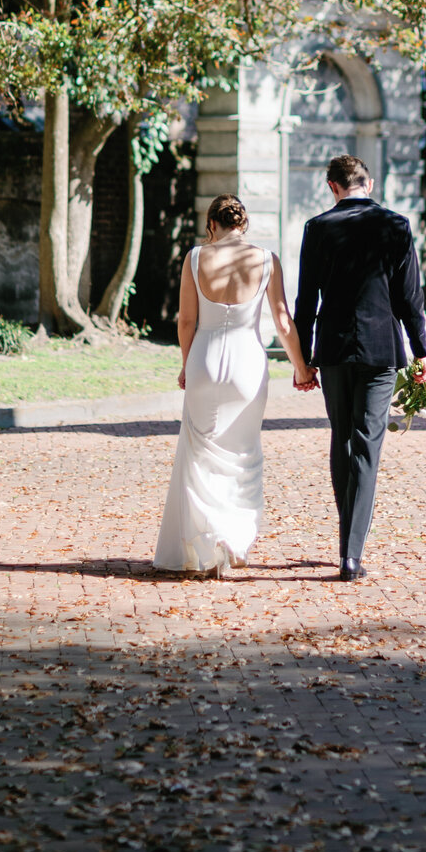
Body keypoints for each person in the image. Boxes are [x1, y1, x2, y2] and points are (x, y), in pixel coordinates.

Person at [154, 193, 316, 578]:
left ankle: (207, 542)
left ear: (213, 224)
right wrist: (301, 368)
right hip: (247, 362)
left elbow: (186, 323)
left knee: (200, 456)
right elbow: (281, 320)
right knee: (243, 454)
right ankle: (234, 537)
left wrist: (185, 365)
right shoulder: (265, 259)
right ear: (243, 225)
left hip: (205, 359)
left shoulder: (195, 258)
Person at [293, 154, 426, 582]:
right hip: (380, 349)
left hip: (333, 349)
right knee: (367, 442)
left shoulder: (317, 228)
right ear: (368, 184)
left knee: (342, 438)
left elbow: (305, 301)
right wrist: (421, 350)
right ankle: (351, 553)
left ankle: (346, 541)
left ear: (332, 186)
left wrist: (303, 360)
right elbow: (410, 295)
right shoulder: (395, 225)